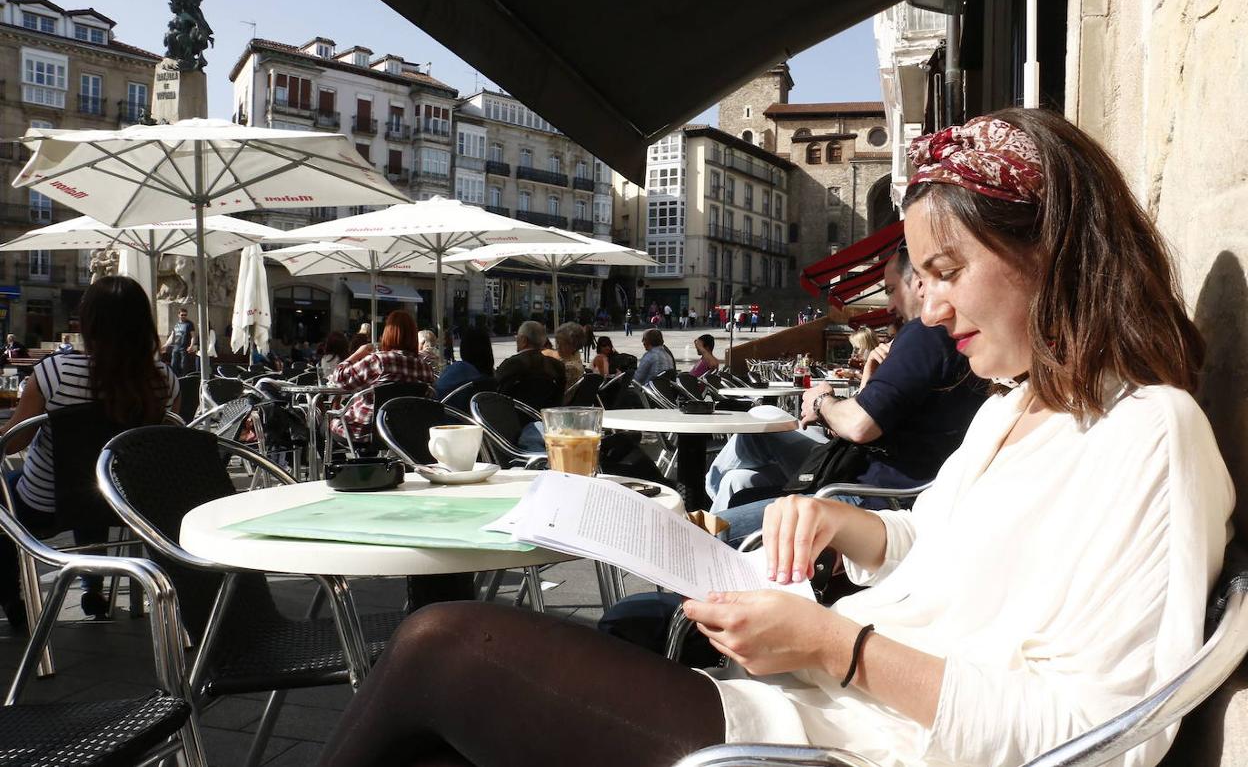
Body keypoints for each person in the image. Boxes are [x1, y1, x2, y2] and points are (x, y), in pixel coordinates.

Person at [314, 108, 1235, 767]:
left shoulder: (1149, 435)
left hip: (849, 743)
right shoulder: (1013, 408)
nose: (931, 305)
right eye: (923, 275)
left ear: (1058, 250)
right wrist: (842, 523)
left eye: (949, 269)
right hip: (822, 710)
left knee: (440, 649)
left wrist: (834, 646)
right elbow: (938, 545)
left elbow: (1106, 736)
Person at [706, 248, 984, 517]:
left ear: (919, 284)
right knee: (741, 481)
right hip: (866, 481)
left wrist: (821, 401)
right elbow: (867, 418)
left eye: (890, 290)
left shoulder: (926, 333)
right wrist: (867, 378)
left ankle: (704, 503)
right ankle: (709, 500)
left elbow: (858, 426)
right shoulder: (945, 343)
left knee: (717, 529)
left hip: (862, 498)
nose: (888, 305)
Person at [0, 276, 180, 627]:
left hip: (46, 506)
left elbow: (14, 443)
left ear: (88, 323)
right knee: (93, 483)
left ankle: (12, 596)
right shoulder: (164, 379)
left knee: (14, 492)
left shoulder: (54, 372)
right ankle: (92, 585)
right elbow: (166, 445)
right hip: (127, 505)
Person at [328, 311, 435, 443]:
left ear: (387, 334)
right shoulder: (425, 368)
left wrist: (357, 354)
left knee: (325, 426)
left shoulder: (378, 361)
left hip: (363, 431)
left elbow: (339, 380)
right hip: (403, 435)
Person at [494, 320, 566, 408]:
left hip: (514, 417)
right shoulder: (557, 366)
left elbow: (495, 391)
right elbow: (559, 399)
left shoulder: (511, 364)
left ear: (524, 340)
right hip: (545, 417)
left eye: (517, 337)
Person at [433, 327, 494, 399]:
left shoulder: (456, 370)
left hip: (443, 408)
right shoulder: (489, 382)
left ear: (463, 349)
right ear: (488, 350)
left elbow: (436, 391)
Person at [552, 322, 585, 392]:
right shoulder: (574, 361)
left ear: (574, 346)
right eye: (557, 343)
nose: (558, 347)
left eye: (562, 344)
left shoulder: (570, 367)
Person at [162, 307, 195, 376]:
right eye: (182, 315)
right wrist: (165, 345)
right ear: (178, 315)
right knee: (173, 364)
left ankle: (183, 379)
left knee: (183, 366)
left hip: (184, 348)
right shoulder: (176, 325)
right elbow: (172, 336)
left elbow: (193, 336)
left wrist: (191, 346)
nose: (184, 316)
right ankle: (175, 379)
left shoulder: (189, 324)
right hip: (176, 347)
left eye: (185, 315)